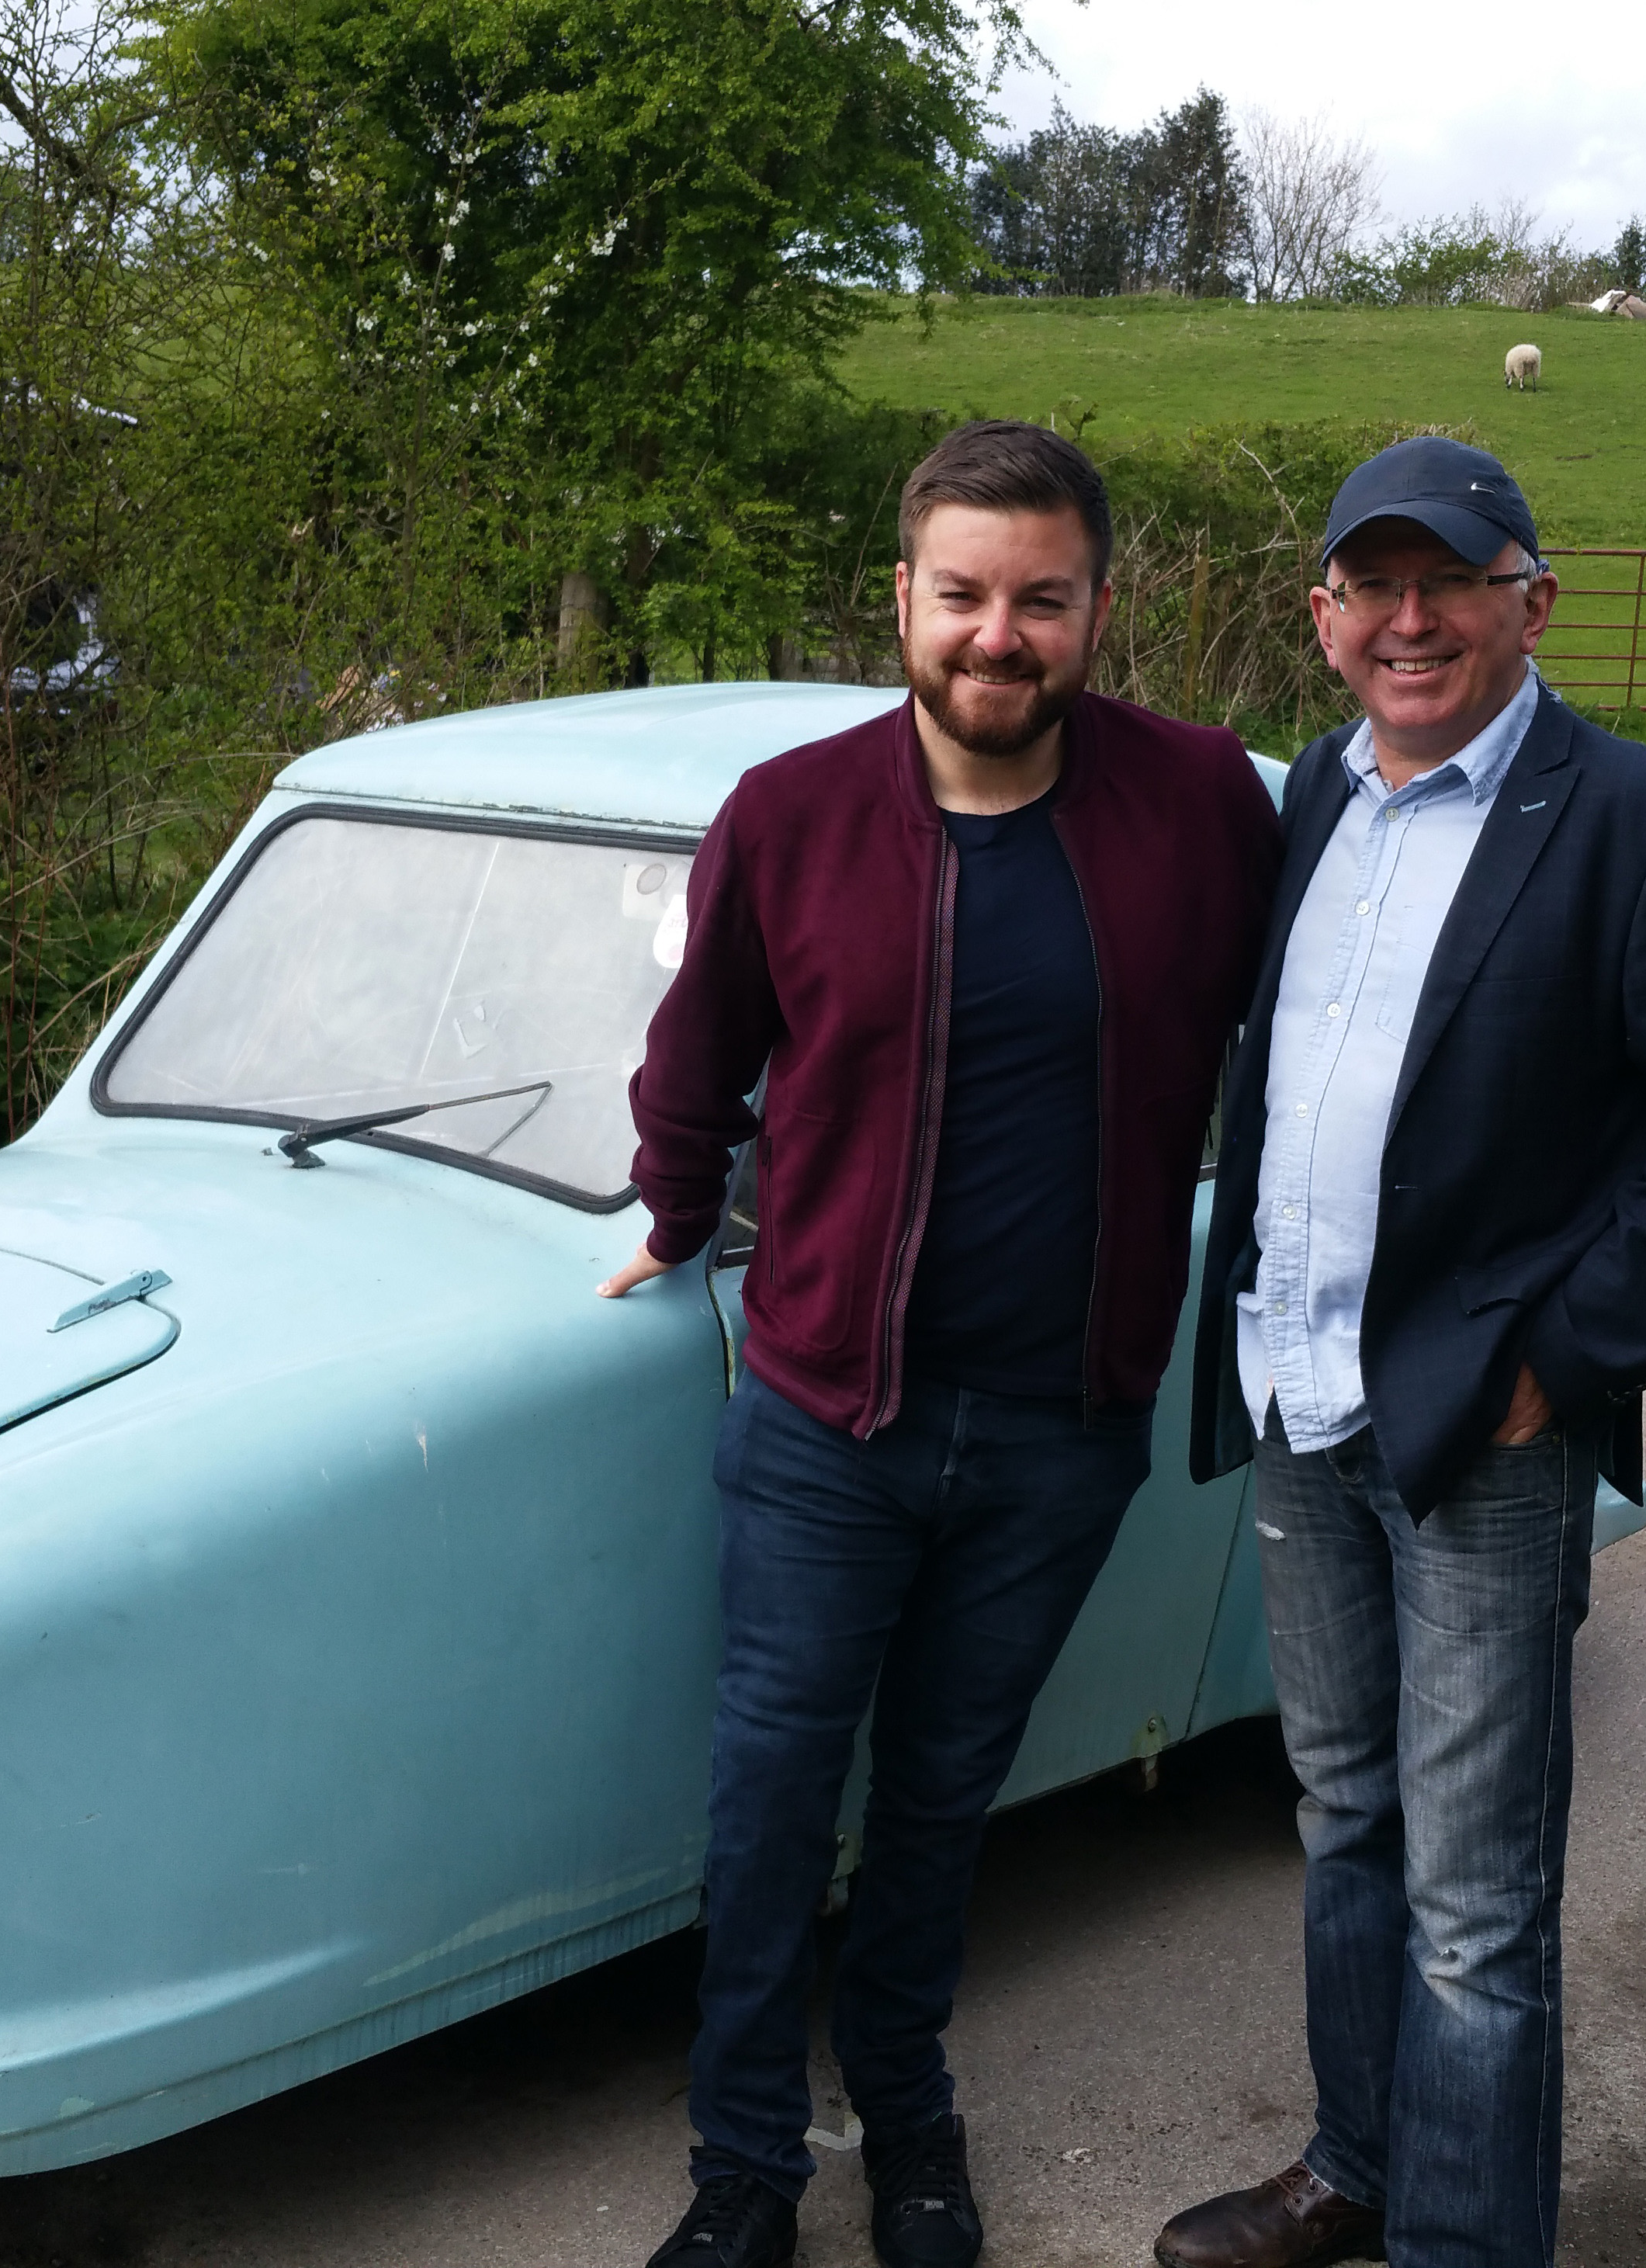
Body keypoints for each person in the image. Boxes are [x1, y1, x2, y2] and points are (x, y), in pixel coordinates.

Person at [598, 419, 1281, 2268]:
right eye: (964, 596)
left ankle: (908, 2121)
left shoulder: (1204, 804)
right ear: (901, 600)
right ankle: (743, 2170)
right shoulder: (793, 816)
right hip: (828, 1416)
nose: (999, 636)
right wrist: (670, 1213)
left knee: (938, 1802)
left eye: (1039, 601)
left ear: (1095, 611)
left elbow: (1325, 1023)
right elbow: (696, 1053)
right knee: (764, 1804)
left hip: (1063, 1428)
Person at [1150, 439, 1646, 2268]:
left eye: (1447, 580)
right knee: (1343, 1816)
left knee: (1477, 1906)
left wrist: (1569, 1353)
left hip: (1485, 1429)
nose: (1409, 619)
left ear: (1533, 597)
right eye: (1372, 586)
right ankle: (1356, 2171)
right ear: (1323, 620)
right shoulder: (1312, 797)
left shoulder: (1638, 821)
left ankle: (1463, 2242)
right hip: (1298, 1389)